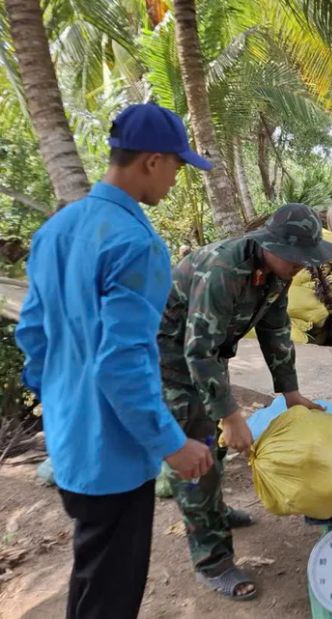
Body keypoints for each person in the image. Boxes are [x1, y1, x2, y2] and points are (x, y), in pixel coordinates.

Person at [15, 103, 215, 619]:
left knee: (93, 572)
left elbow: (33, 335)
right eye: (176, 166)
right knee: (112, 594)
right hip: (114, 455)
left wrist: (62, 402)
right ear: (152, 161)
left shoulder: (57, 230)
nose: (175, 179)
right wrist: (173, 444)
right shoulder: (137, 244)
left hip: (69, 441)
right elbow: (121, 364)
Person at [157, 203, 332, 601]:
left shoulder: (277, 269)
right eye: (295, 258)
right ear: (271, 245)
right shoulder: (224, 271)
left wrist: (291, 393)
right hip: (169, 357)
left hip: (206, 355)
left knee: (213, 447)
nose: (301, 266)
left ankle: (214, 513)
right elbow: (197, 352)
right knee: (198, 450)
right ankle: (213, 561)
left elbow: (275, 329)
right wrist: (230, 416)